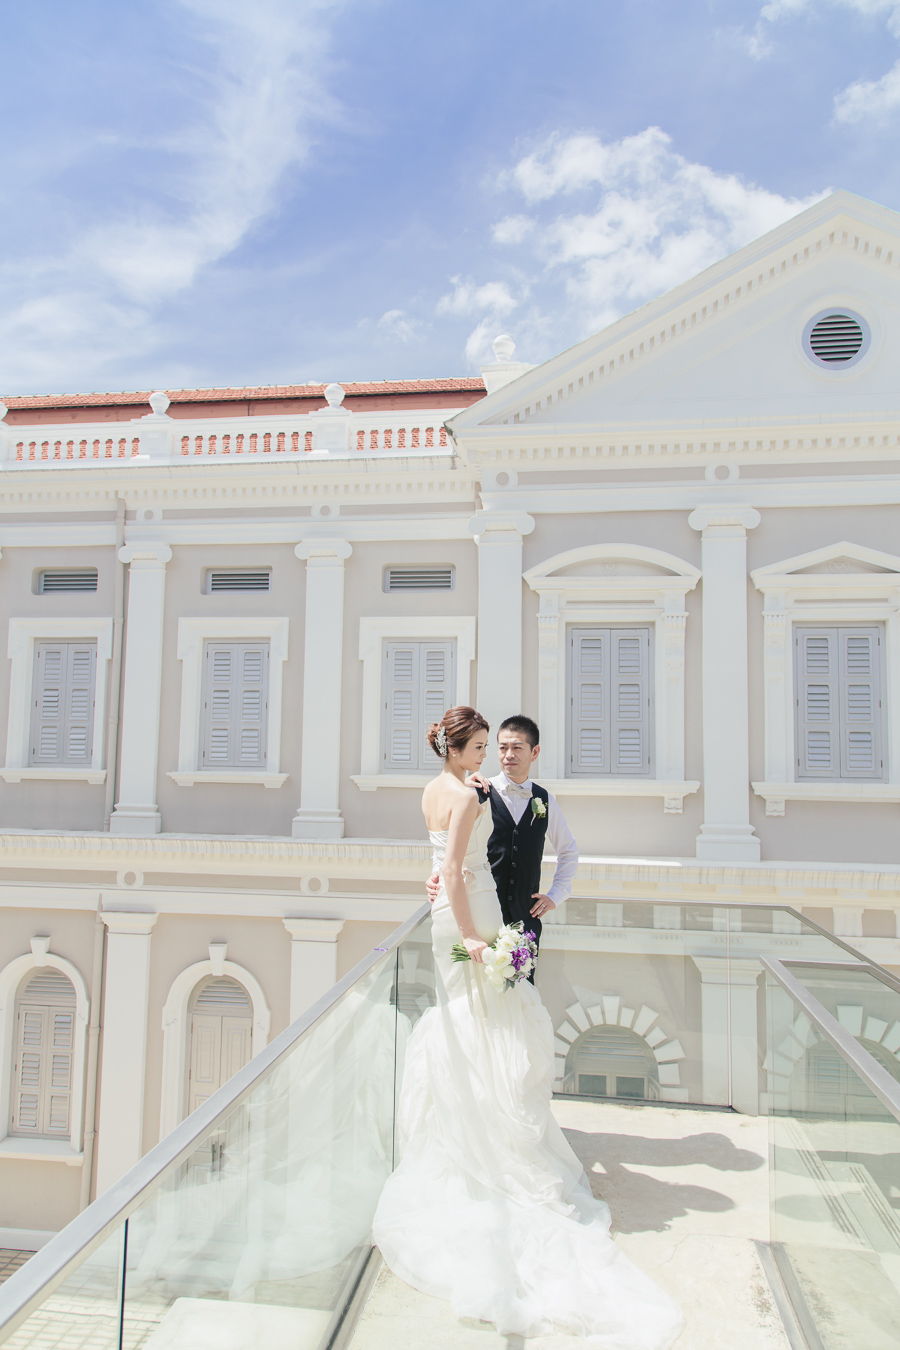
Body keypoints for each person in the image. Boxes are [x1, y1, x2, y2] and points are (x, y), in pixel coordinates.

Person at [372, 706, 683, 1347]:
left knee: (491, 1023)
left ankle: (497, 1116)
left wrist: (547, 898)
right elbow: (457, 860)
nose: (494, 756)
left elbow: (531, 856)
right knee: (490, 1021)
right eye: (485, 746)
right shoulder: (466, 792)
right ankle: (497, 1132)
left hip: (492, 919)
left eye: (505, 747)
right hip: (476, 920)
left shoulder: (505, 796)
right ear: (461, 747)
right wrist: (466, 928)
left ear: (532, 753)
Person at [426, 714, 578, 962]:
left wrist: (556, 894)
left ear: (535, 752)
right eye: (502, 747)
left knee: (522, 991)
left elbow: (569, 850)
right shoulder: (476, 790)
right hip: (482, 911)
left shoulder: (545, 800)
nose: (509, 754)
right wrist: (436, 873)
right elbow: (450, 842)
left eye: (517, 747)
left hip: (525, 921)